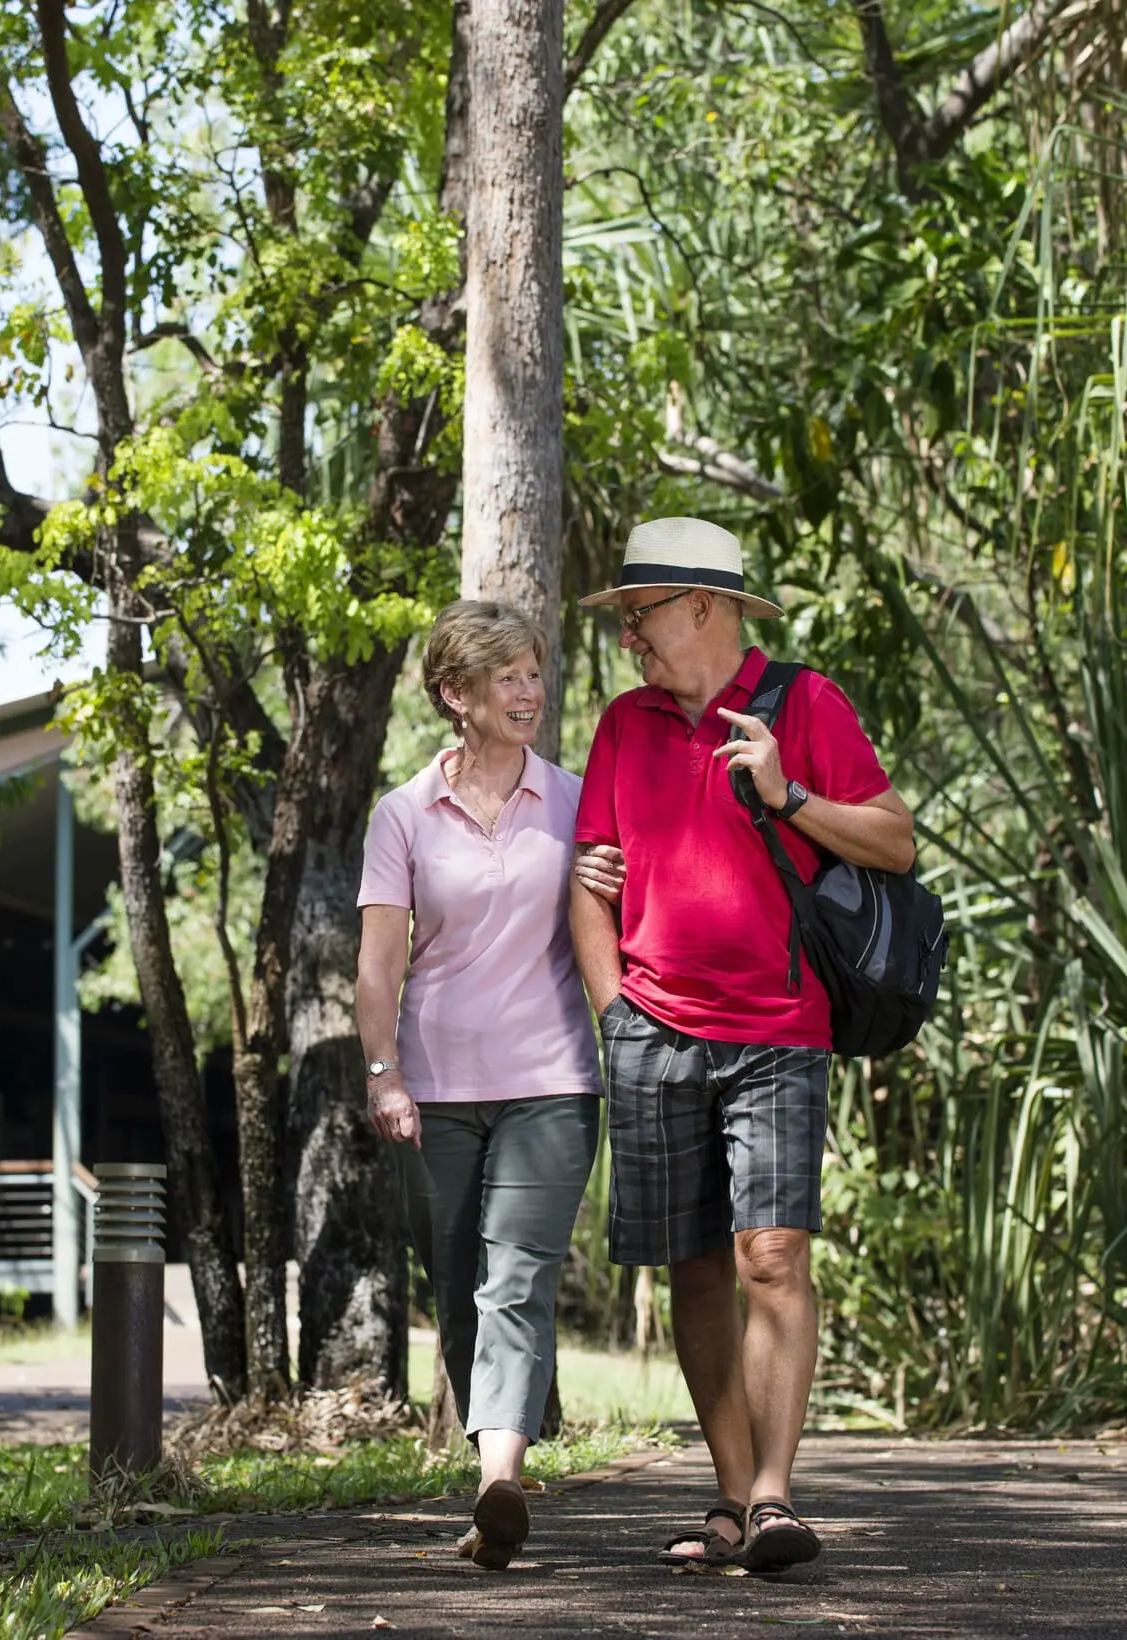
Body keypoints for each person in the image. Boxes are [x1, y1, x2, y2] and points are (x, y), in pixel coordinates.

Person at [567, 517, 914, 1575]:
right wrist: (613, 1008)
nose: (630, 635)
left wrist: (787, 792)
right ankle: (726, 1493)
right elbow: (589, 877)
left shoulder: (803, 704)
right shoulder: (624, 725)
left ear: (704, 607)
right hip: (653, 1032)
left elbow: (896, 837)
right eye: (625, 617)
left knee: (772, 1254)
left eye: (643, 613)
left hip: (777, 1030)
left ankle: (773, 1495)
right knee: (696, 1267)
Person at [355, 599, 602, 1572]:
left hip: (551, 1079)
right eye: (507, 677)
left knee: (517, 1275)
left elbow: (613, 918)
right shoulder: (404, 812)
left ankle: (500, 1478)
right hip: (436, 1084)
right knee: (456, 1283)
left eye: (535, 673)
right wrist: (384, 1073)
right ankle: (491, 1467)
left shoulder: (578, 800)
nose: (529, 692)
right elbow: (379, 963)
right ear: (455, 694)